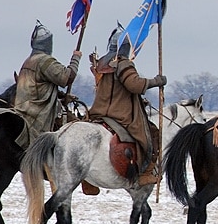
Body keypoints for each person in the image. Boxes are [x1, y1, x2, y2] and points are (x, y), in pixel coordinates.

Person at [86, 27, 166, 185]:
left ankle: (88, 180)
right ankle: (146, 174)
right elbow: (134, 85)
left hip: (99, 112)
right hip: (120, 115)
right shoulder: (123, 63)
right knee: (152, 132)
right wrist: (156, 81)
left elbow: (117, 90)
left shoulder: (102, 62)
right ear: (126, 46)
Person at [13, 21, 81, 147]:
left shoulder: (28, 61)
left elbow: (40, 86)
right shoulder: (44, 61)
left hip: (24, 109)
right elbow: (66, 78)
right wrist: (76, 58)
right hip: (36, 114)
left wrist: (61, 96)